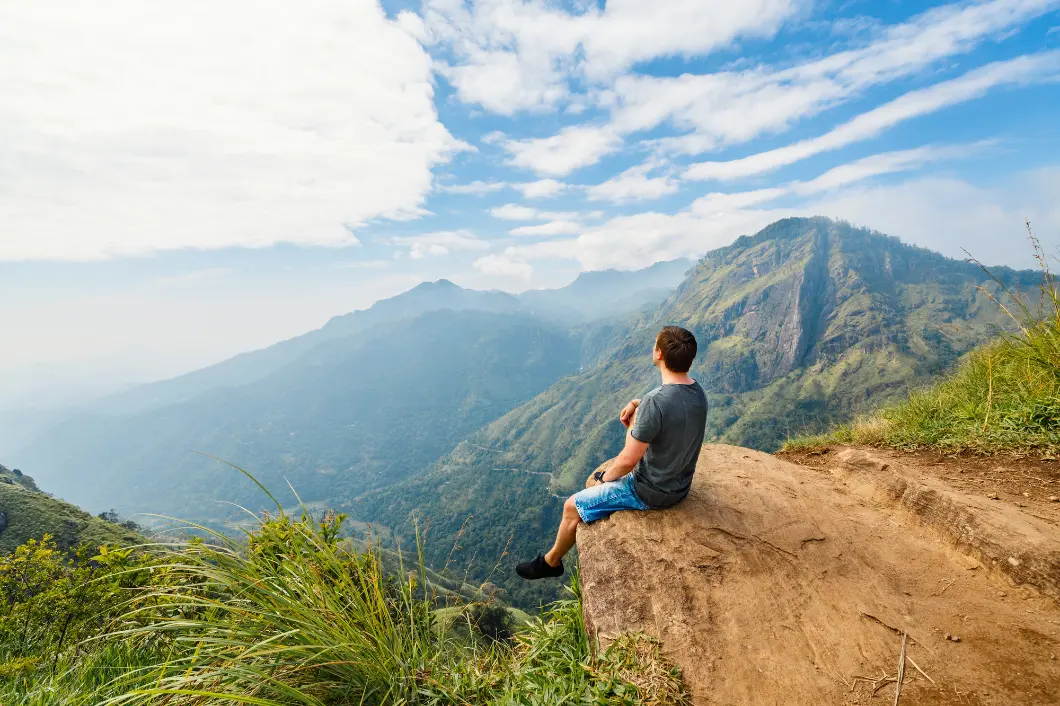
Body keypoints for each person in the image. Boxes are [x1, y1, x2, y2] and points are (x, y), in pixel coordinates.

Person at [516, 325, 708, 581]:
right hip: (681, 485)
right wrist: (640, 405)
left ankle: (551, 563)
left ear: (659, 354)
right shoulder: (697, 392)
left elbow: (629, 460)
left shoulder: (656, 402)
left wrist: (606, 477)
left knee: (571, 507)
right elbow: (672, 413)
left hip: (651, 491)